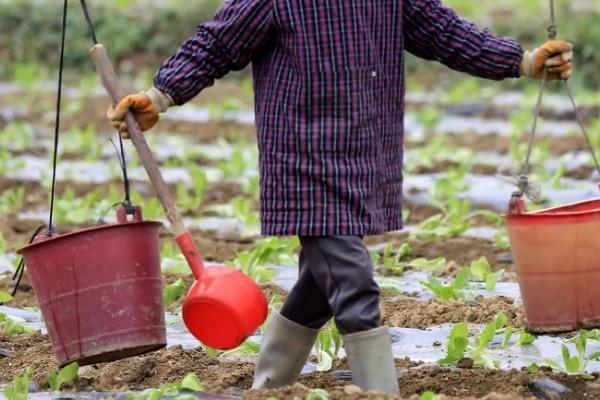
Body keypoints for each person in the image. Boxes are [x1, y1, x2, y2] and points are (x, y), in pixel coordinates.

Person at [107, 0, 573, 395]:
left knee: (320, 288)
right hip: (302, 156)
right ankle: (380, 393)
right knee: (353, 281)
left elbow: (446, 32)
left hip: (365, 150)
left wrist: (522, 61)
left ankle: (269, 387)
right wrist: (160, 95)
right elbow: (216, 43)